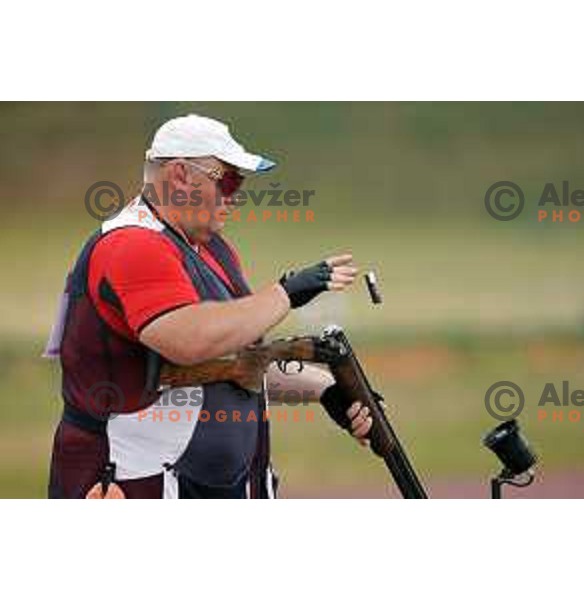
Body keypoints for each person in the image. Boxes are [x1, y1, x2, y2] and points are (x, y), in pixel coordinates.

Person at [46, 114, 374, 499]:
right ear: (181, 175)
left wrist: (327, 389)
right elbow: (190, 341)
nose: (234, 196)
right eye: (228, 180)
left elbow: (234, 358)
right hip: (139, 482)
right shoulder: (133, 245)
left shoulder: (207, 246)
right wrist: (284, 294)